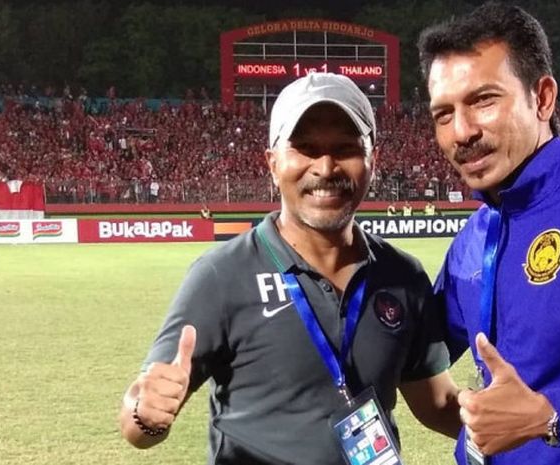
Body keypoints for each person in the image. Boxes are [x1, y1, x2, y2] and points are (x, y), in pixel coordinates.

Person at [118, 73, 461, 464]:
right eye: (306, 148)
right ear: (273, 162)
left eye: (346, 148)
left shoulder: (403, 276)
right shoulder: (221, 276)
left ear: (373, 160)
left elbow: (437, 402)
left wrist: (527, 418)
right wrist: (143, 412)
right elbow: (139, 418)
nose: (326, 166)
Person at [419, 3, 560, 464]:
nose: (461, 131)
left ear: (542, 98)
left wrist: (551, 418)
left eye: (483, 100)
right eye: (443, 114)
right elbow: (417, 345)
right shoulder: (475, 235)